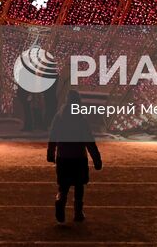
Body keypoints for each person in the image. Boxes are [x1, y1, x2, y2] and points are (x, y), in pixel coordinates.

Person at [47, 90, 101, 223]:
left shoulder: (59, 116)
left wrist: (50, 152)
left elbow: (53, 136)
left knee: (63, 186)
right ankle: (78, 212)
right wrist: (96, 158)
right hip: (78, 156)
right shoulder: (81, 119)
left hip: (63, 156)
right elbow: (89, 140)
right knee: (79, 185)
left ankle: (60, 200)